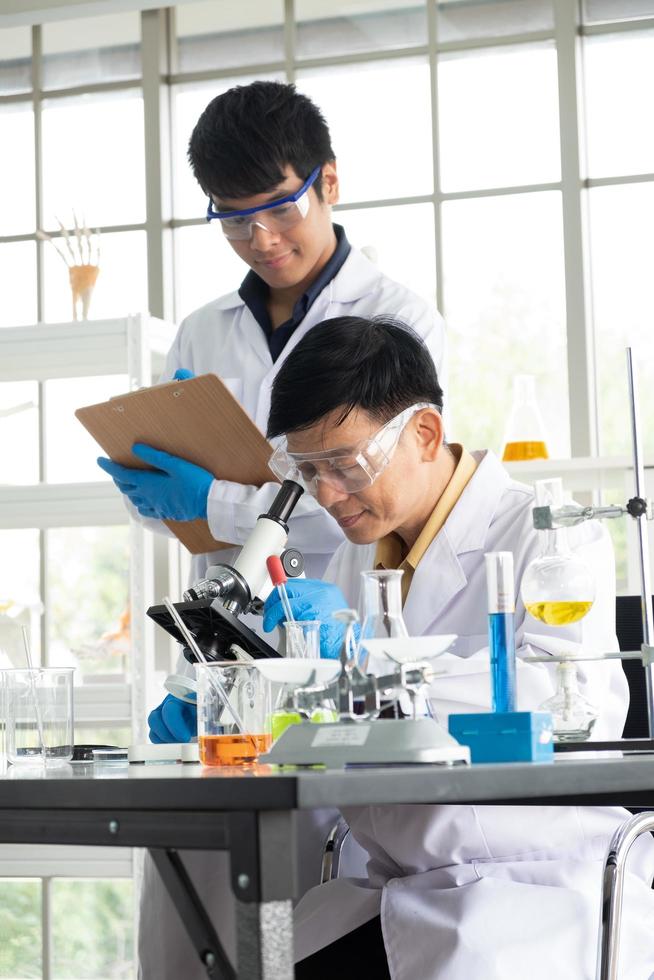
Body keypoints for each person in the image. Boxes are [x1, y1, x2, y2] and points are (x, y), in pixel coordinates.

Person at [261, 314, 654, 980]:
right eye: (307, 470)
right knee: (250, 956)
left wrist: (368, 668)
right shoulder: (356, 560)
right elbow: (333, 726)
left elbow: (565, 703)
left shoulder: (552, 537)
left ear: (423, 433)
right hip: (390, 883)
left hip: (526, 885)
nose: (326, 494)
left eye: (344, 464)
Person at [98, 78, 445, 609]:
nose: (262, 240)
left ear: (328, 182)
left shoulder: (398, 320)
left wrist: (209, 501)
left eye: (282, 209)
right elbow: (169, 514)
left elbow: (375, 499)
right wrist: (151, 493)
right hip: (226, 626)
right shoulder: (201, 331)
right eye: (235, 220)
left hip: (341, 614)